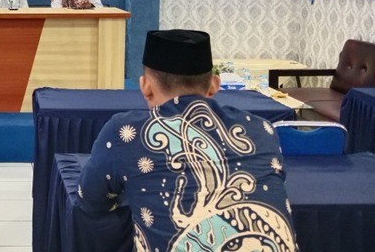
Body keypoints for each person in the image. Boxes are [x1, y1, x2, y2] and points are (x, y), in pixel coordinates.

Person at [77, 30, 297, 251]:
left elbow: (91, 201)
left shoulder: (124, 132)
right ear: (214, 85)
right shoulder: (261, 129)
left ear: (145, 87)